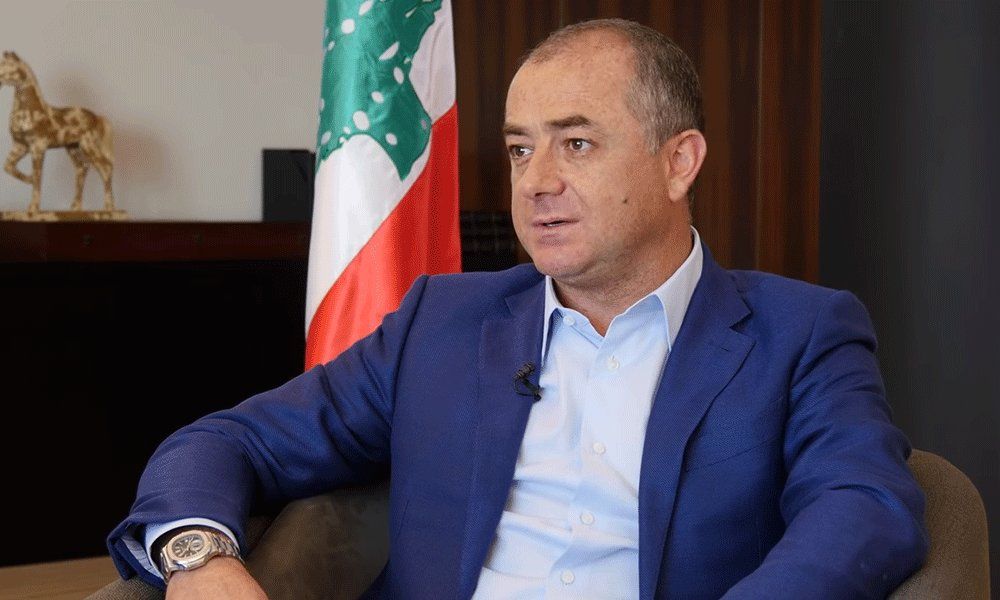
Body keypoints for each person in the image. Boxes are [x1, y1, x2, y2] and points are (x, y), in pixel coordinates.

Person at [107, 18, 927, 599]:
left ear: (679, 162)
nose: (535, 183)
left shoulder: (800, 333)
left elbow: (865, 508)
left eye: (577, 143)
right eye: (519, 148)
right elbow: (229, 440)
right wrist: (198, 557)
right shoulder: (440, 323)